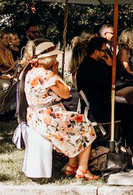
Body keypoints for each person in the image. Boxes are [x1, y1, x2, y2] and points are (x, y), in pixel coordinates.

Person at [19, 41, 98, 180]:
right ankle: (83, 168)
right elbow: (66, 94)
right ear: (49, 59)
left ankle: (72, 164)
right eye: (54, 57)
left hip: (34, 117)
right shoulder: (47, 75)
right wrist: (55, 74)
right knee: (86, 125)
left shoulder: (30, 73)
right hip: (48, 119)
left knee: (74, 123)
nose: (56, 60)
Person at [75, 36, 133, 148]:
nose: (105, 53)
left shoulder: (90, 64)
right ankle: (128, 145)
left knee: (128, 108)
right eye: (104, 50)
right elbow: (108, 84)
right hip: (99, 110)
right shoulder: (90, 67)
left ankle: (122, 142)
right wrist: (109, 67)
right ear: (96, 51)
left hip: (99, 105)